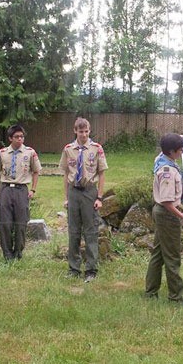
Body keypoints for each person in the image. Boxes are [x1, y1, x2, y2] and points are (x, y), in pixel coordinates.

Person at [145, 133, 183, 305]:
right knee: (172, 257)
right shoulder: (168, 171)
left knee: (158, 254)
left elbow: (166, 146)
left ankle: (150, 292)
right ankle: (176, 298)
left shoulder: (162, 158)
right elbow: (166, 201)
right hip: (167, 215)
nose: (182, 153)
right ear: (171, 152)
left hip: (161, 213)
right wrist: (182, 215)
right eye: (180, 150)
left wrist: (178, 137)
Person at [59, 117, 108, 282]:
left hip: (89, 192)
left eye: (86, 131)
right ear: (75, 131)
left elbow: (101, 174)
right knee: (73, 231)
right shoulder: (68, 150)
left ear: (89, 131)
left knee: (91, 231)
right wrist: (66, 197)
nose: (84, 135)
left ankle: (91, 269)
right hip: (74, 191)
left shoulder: (96, 149)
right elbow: (66, 174)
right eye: (81, 132)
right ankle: (74, 268)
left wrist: (99, 197)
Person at [0, 124, 41, 261]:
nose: (20, 139)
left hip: (21, 190)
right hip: (6, 189)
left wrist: (33, 189)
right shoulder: (2, 153)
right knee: (5, 223)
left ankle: (18, 253)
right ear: (10, 138)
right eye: (16, 137)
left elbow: (36, 171)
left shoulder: (30, 152)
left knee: (21, 223)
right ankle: (7, 254)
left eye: (22, 136)